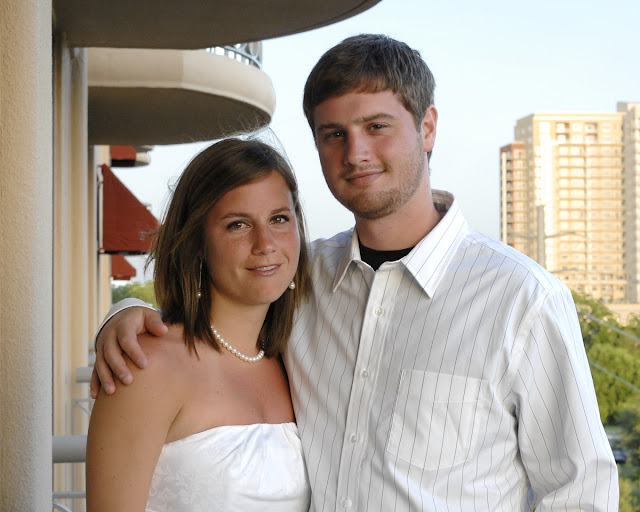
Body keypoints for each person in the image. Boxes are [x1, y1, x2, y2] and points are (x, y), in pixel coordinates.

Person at [92, 34, 619, 511]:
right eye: (333, 134)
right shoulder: (304, 281)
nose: (356, 153)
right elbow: (219, 313)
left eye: (376, 127)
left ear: (427, 127)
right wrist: (126, 314)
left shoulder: (523, 299)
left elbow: (581, 496)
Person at [86, 138, 312, 511]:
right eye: (238, 224)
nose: (266, 243)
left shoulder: (296, 359)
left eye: (279, 218)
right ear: (198, 243)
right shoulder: (146, 367)